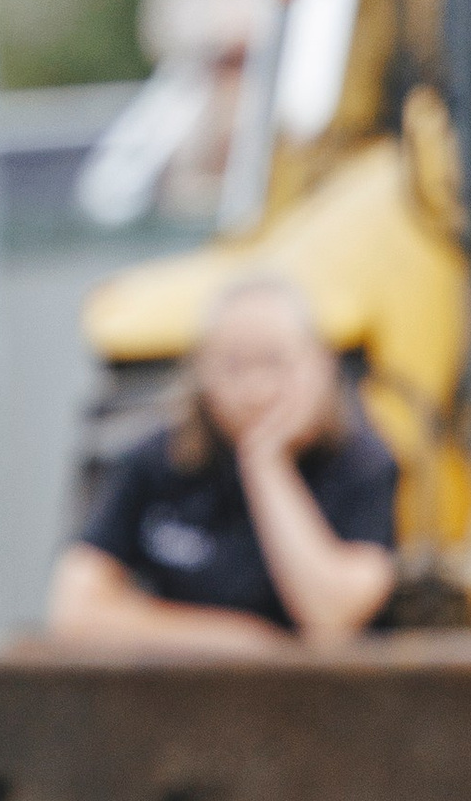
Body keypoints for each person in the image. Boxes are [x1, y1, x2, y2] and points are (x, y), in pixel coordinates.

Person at [47, 273, 398, 655]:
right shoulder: (155, 462)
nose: (255, 388)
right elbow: (74, 611)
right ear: (202, 373)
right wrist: (235, 641)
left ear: (320, 365)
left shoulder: (361, 465)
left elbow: (332, 621)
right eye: (234, 366)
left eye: (274, 362)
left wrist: (266, 464)